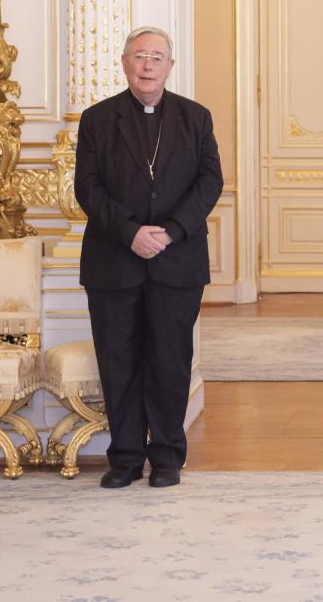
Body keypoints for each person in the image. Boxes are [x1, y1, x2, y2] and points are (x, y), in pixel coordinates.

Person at [74, 25, 223, 488]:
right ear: (124, 63)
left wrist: (171, 232)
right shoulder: (97, 119)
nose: (148, 65)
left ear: (170, 67)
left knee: (169, 361)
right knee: (118, 361)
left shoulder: (195, 118)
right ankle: (124, 459)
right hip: (114, 261)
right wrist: (131, 232)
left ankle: (166, 458)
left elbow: (209, 183)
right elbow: (88, 188)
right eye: (140, 56)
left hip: (176, 262)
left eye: (157, 58)